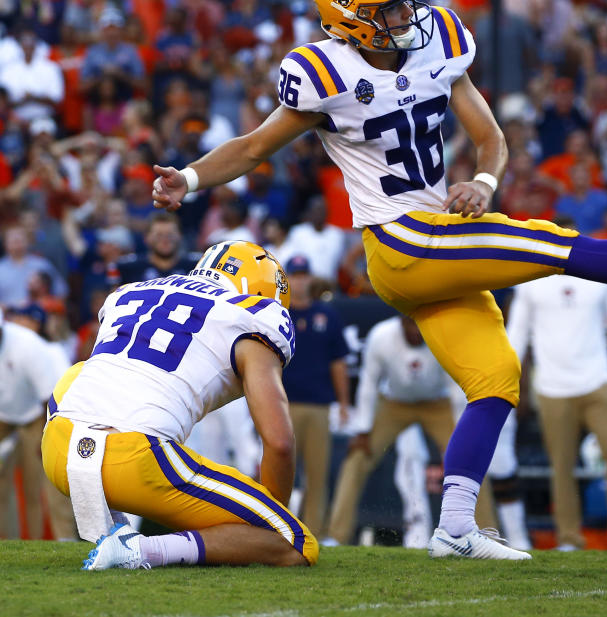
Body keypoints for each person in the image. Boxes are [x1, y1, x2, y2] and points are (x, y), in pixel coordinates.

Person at [152, 0, 607, 561]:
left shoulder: (436, 38)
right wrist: (191, 180)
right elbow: (253, 148)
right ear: (349, 18)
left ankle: (456, 528)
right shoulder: (322, 73)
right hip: (399, 244)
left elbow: (490, 138)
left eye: (404, 1)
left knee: (496, 378)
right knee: (549, 243)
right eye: (388, 9)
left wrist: (485, 184)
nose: (407, 15)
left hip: (437, 239)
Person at [41, 240, 318, 569]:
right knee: (294, 541)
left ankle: (114, 530)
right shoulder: (252, 316)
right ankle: (140, 550)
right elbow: (280, 443)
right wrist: (269, 518)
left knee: (82, 372)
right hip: (133, 457)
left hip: (57, 447)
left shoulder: (131, 292)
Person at [507, 251, 607, 553]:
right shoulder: (530, 280)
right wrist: (508, 379)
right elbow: (517, 333)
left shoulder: (599, 277)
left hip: (598, 381)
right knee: (561, 465)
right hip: (553, 387)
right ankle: (568, 538)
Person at [326, 314, 495, 546]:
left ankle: (487, 536)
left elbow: (457, 388)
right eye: (410, 324)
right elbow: (368, 382)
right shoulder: (381, 336)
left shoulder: (444, 337)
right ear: (401, 322)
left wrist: (461, 434)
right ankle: (337, 536)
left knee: (469, 463)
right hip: (394, 404)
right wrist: (362, 430)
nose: (416, 331)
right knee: (357, 458)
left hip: (438, 404)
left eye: (420, 325)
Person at [280, 255, 350, 537]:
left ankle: (313, 533)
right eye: (295, 275)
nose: (300, 280)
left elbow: (339, 362)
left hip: (319, 405)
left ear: (310, 278)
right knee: (278, 471)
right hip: (283, 405)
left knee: (318, 475)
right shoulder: (278, 313)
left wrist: (343, 403)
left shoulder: (328, 314)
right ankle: (275, 530)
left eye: (303, 275)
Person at [0, 309, 66, 539]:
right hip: (3, 414)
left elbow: (47, 397)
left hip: (34, 414)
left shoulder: (26, 345)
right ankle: (7, 542)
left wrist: (44, 436)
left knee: (33, 483)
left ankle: (36, 541)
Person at [114, 212, 200, 284]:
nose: (165, 240)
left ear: (180, 236)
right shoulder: (129, 268)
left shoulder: (196, 266)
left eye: (170, 235)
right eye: (159, 235)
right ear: (146, 238)